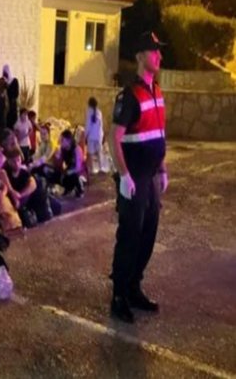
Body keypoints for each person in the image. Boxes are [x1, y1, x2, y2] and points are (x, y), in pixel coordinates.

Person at [109, 31, 168, 324]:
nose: (159, 56)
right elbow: (113, 138)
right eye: (154, 51)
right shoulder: (130, 95)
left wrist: (163, 168)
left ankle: (134, 287)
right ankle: (119, 295)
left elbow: (158, 133)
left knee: (148, 234)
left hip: (152, 176)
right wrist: (124, 175)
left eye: (159, 51)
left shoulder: (156, 91)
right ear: (141, 56)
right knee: (130, 236)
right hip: (134, 178)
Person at [85, 97, 104, 175]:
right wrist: (102, 135)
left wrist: (85, 135)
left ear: (89, 104)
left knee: (90, 153)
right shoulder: (99, 112)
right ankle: (101, 168)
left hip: (91, 136)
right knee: (99, 152)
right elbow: (101, 125)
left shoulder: (89, 112)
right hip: (98, 135)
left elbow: (88, 125)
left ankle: (92, 169)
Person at [3, 64, 20, 129]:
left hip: (12, 106)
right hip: (5, 107)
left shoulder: (14, 81)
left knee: (12, 123)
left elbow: (16, 94)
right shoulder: (3, 82)